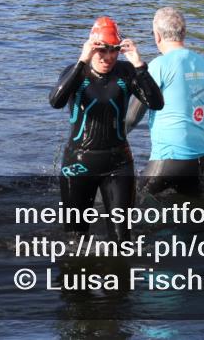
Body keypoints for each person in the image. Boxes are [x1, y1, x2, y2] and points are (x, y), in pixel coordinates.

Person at [49, 17, 164, 240]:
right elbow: (56, 101)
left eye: (113, 51)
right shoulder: (75, 72)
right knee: (75, 238)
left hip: (118, 163)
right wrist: (82, 60)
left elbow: (157, 103)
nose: (108, 57)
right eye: (102, 51)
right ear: (91, 49)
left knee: (122, 239)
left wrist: (139, 65)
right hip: (79, 164)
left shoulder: (126, 72)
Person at [125, 7, 204, 196]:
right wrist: (201, 145)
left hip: (168, 159)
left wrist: (108, 141)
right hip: (200, 159)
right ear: (184, 33)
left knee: (131, 202)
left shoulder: (157, 66)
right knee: (190, 214)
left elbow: (131, 118)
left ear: (157, 36)